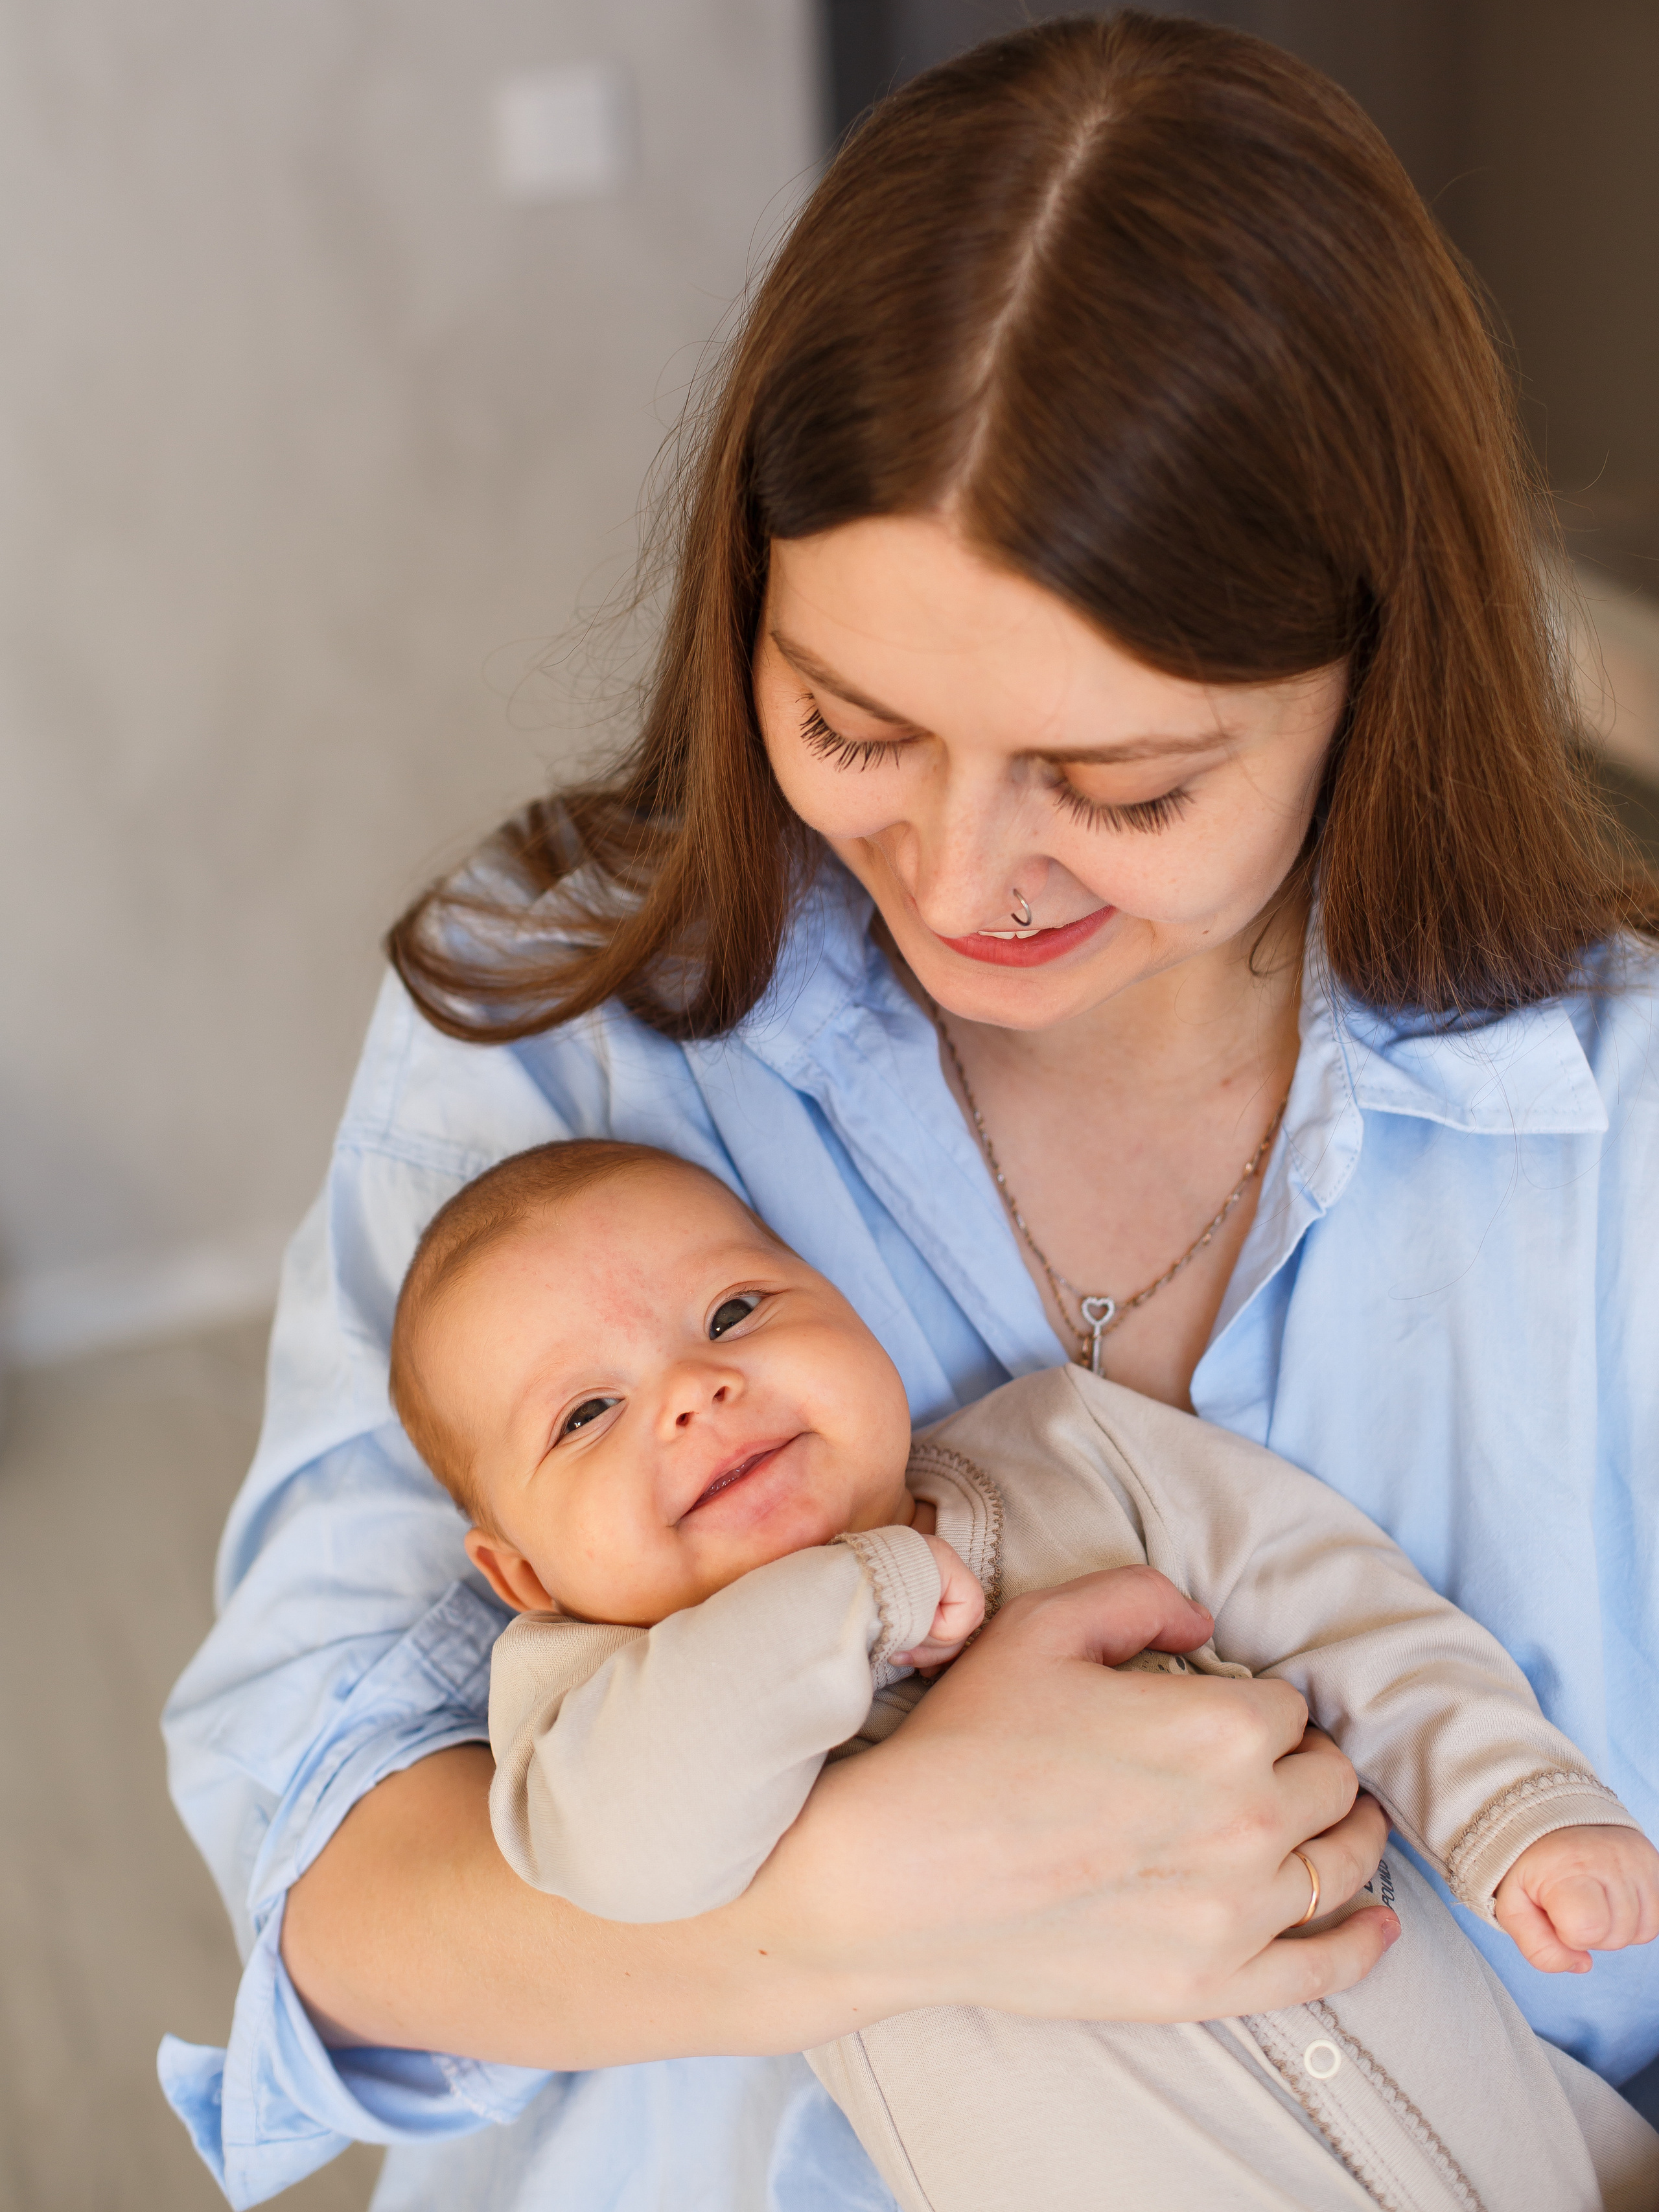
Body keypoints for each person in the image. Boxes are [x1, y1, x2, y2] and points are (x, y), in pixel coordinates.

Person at [157, 13, 1659, 2210]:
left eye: (1125, 786)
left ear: (1374, 669)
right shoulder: (574, 1021)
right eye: (851, 726)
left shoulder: (1603, 1147)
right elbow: (331, 1893)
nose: (960, 886)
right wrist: (873, 1888)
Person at [388, 1134, 1659, 2211]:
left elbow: (1338, 1604)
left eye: (732, 1315)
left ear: (843, 1307)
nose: (691, 1392)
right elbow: (635, 1854)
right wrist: (856, 1589)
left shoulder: (1068, 1449)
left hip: (1528, 2149)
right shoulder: (582, 1711)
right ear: (524, 1578)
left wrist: (1513, 1809)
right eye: (584, 1415)